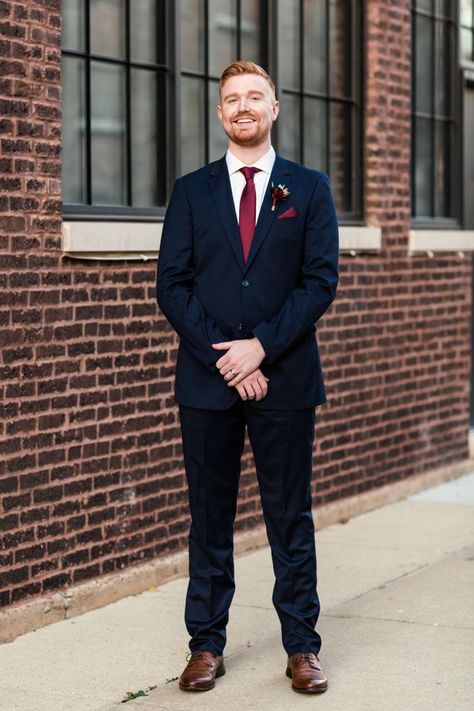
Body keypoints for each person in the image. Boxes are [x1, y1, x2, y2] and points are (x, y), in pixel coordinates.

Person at [156, 60, 339, 694]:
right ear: (219, 113)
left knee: (290, 516)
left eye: (254, 97)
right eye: (231, 98)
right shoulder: (191, 190)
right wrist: (225, 358)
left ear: (274, 108)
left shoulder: (308, 189)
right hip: (208, 385)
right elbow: (172, 286)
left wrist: (259, 348)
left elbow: (320, 282)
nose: (243, 107)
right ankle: (205, 645)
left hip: (284, 380)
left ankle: (302, 647)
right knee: (208, 517)